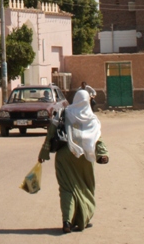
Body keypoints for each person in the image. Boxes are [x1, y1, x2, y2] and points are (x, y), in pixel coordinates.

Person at [38, 88, 109, 233]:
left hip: (65, 155)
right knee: (85, 187)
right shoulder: (92, 118)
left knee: (66, 188)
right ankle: (83, 219)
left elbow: (51, 131)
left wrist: (44, 153)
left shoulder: (64, 112)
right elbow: (97, 138)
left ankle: (67, 221)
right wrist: (103, 154)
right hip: (85, 159)